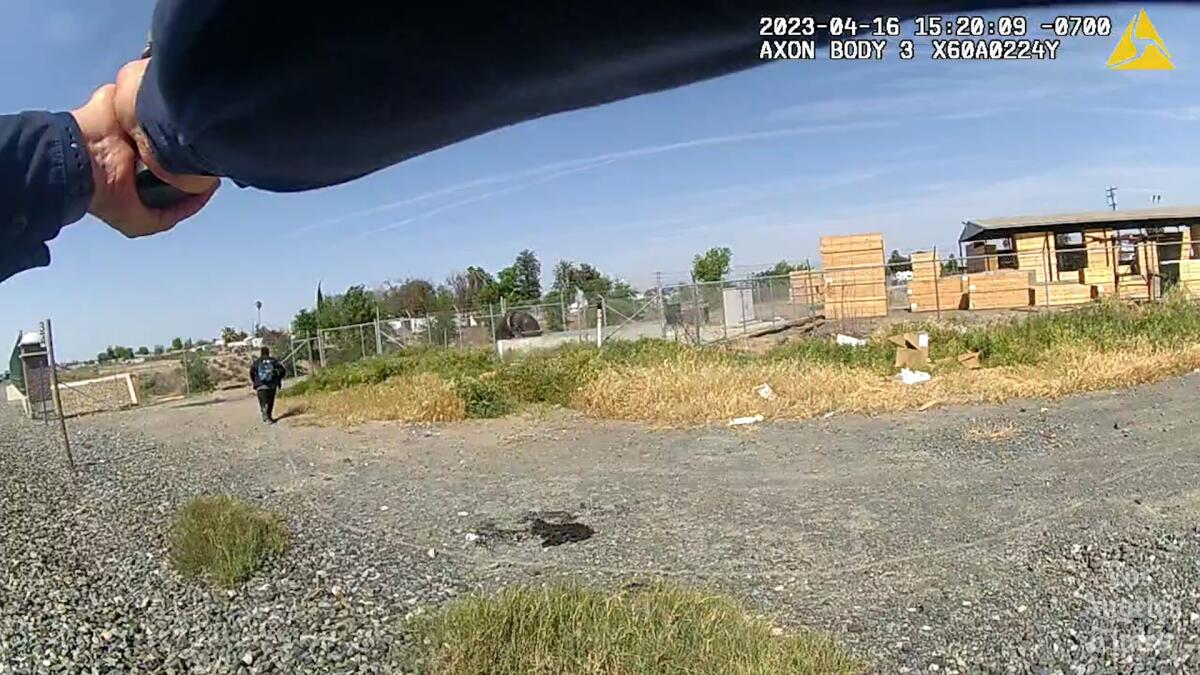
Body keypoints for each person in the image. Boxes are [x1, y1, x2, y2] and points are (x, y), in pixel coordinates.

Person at [1, 0, 1101, 282]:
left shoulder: (229, 97)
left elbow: (248, 71)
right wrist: (103, 141)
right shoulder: (217, 89)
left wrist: (130, 140)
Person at [249, 347, 286, 424]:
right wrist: (278, 379)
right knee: (270, 401)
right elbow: (282, 370)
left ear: (261, 352)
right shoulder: (273, 361)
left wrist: (255, 381)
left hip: (260, 386)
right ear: (268, 352)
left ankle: (265, 416)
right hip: (271, 385)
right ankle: (269, 416)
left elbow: (251, 372)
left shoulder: (257, 362)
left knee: (263, 402)